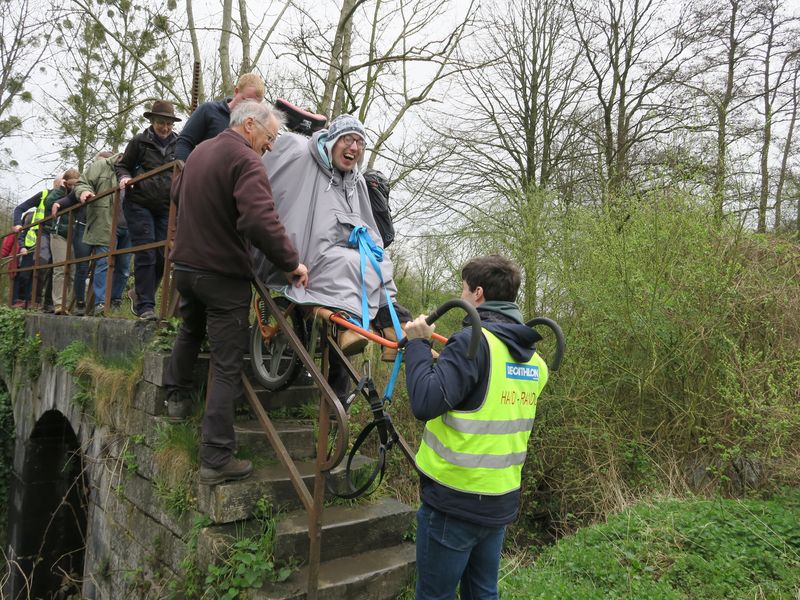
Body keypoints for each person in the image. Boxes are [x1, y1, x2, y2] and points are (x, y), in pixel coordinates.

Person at [164, 100, 308, 486]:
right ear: (249, 126)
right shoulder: (246, 161)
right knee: (227, 363)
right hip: (222, 276)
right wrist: (292, 263)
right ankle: (216, 456)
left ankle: (175, 398)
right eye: (269, 136)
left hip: (186, 269)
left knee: (190, 331)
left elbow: (177, 193)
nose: (271, 146)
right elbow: (260, 220)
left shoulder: (199, 152)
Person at [403, 255, 550, 600]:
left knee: (434, 595)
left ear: (478, 293)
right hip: (498, 502)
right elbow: (483, 396)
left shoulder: (474, 342)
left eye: (463, 288)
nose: (462, 294)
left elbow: (425, 402)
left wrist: (418, 346)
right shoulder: (534, 361)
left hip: (453, 502)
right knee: (482, 594)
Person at [255, 113, 411, 400]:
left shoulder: (354, 180)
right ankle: (351, 322)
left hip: (342, 247)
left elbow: (366, 221)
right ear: (333, 141)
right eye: (348, 140)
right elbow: (273, 168)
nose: (354, 147)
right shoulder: (304, 157)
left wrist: (367, 242)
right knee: (350, 264)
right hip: (309, 249)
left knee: (378, 261)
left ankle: (392, 325)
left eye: (360, 143)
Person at [116, 99, 180, 320]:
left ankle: (138, 293)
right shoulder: (139, 142)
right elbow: (122, 165)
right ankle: (146, 307)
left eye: (168, 123)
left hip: (165, 205)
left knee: (164, 255)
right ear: (152, 120)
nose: (164, 127)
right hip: (139, 203)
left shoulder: (179, 144)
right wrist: (125, 177)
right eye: (161, 122)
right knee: (146, 252)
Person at [74, 151, 132, 316]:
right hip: (105, 222)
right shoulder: (100, 166)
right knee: (103, 262)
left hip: (128, 225)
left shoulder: (137, 166)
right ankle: (100, 303)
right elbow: (82, 183)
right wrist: (84, 192)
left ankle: (115, 301)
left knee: (124, 267)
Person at [175, 72, 265, 160]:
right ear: (236, 92)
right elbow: (184, 143)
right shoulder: (209, 110)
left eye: (254, 106)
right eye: (245, 101)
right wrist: (187, 171)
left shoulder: (253, 128)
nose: (248, 108)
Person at [45, 170, 81, 314]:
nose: (73, 187)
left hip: (76, 235)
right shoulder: (58, 192)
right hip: (59, 234)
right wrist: (61, 189)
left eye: (76, 184)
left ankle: (69, 305)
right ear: (66, 183)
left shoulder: (79, 191)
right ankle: (59, 305)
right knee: (60, 269)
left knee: (73, 271)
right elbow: (48, 203)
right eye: (71, 184)